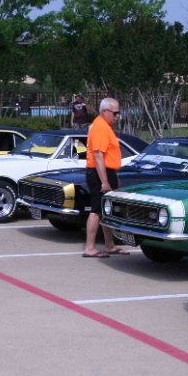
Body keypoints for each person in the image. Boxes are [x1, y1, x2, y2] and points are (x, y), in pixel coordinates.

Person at [83, 97, 127, 258]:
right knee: (96, 210)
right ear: (104, 111)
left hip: (107, 172)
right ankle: (90, 248)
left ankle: (109, 245)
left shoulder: (105, 126)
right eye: (115, 113)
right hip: (99, 173)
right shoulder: (100, 127)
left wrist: (113, 177)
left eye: (118, 113)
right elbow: (98, 156)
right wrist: (104, 181)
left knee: (106, 210)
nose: (117, 116)